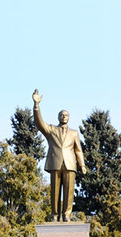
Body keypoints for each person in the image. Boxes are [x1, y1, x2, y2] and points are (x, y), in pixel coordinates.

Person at [32, 89, 87, 222]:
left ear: (69, 118)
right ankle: (55, 214)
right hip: (55, 163)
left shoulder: (74, 133)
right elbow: (39, 124)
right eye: (61, 115)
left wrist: (82, 165)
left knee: (69, 192)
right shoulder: (51, 130)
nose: (64, 116)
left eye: (66, 115)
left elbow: (78, 150)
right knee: (55, 191)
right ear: (58, 117)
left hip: (69, 164)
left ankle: (66, 215)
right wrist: (36, 106)